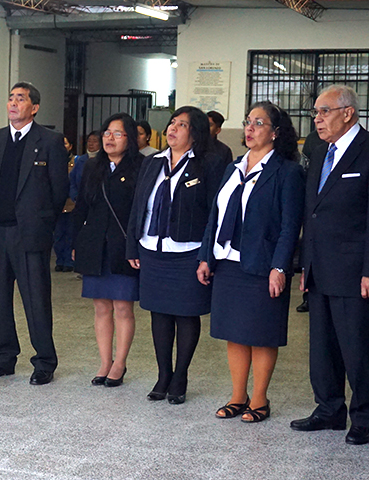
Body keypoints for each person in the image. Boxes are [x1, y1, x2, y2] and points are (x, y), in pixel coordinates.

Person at [197, 102, 304, 423]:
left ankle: (259, 399)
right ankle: (237, 395)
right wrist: (206, 257)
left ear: (275, 132)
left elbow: (290, 225)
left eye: (259, 123)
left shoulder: (287, 171)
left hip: (262, 265)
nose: (250, 128)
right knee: (235, 332)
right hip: (228, 262)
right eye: (248, 122)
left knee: (262, 333)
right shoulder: (233, 168)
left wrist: (280, 267)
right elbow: (215, 216)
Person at [127, 106, 223, 404]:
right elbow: (139, 205)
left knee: (186, 314)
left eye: (181, 125)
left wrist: (207, 255)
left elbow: (214, 213)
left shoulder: (207, 163)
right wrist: (133, 244)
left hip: (187, 252)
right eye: (172, 123)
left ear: (194, 133)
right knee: (159, 314)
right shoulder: (152, 162)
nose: (172, 128)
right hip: (153, 250)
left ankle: (180, 376)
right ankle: (163, 375)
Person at [291, 85, 369, 446]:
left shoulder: (367, 151)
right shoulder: (320, 150)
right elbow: (313, 211)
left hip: (354, 269)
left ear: (348, 113)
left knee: (358, 347)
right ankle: (330, 409)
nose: (317, 119)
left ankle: (365, 417)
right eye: (315, 113)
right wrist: (305, 263)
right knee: (322, 346)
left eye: (324, 112)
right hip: (319, 265)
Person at [0, 82, 69, 385]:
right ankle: (2, 358)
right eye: (11, 98)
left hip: (29, 233)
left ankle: (44, 361)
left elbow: (59, 191)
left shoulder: (51, 141)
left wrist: (41, 222)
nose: (14, 103)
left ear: (35, 107)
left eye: (21, 99)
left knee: (36, 300)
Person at [71, 113, 142, 387]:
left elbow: (142, 211)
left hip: (123, 247)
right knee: (101, 307)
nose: (109, 139)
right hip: (94, 244)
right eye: (106, 133)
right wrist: (76, 241)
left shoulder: (141, 167)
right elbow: (81, 208)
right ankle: (104, 362)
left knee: (123, 307)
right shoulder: (93, 166)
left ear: (131, 139)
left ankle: (120, 363)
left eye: (117, 133)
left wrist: (137, 246)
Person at [295, 129, 324, 313]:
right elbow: (304, 167)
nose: (319, 119)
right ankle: (308, 296)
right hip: (312, 199)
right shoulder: (313, 139)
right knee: (309, 244)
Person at [53, 137, 77, 272]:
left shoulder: (76, 162)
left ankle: (69, 261)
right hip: (57, 206)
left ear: (70, 146)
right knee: (58, 235)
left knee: (70, 235)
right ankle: (59, 260)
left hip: (71, 204)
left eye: (65, 144)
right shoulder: (54, 161)